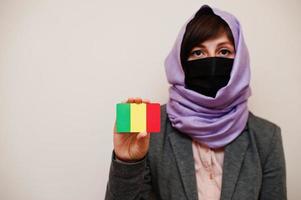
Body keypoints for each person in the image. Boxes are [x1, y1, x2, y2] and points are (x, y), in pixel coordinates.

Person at [105, 5, 287, 200]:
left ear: (240, 61)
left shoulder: (267, 136)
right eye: (198, 53)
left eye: (224, 52)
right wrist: (126, 163)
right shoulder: (145, 121)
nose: (211, 61)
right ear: (181, 62)